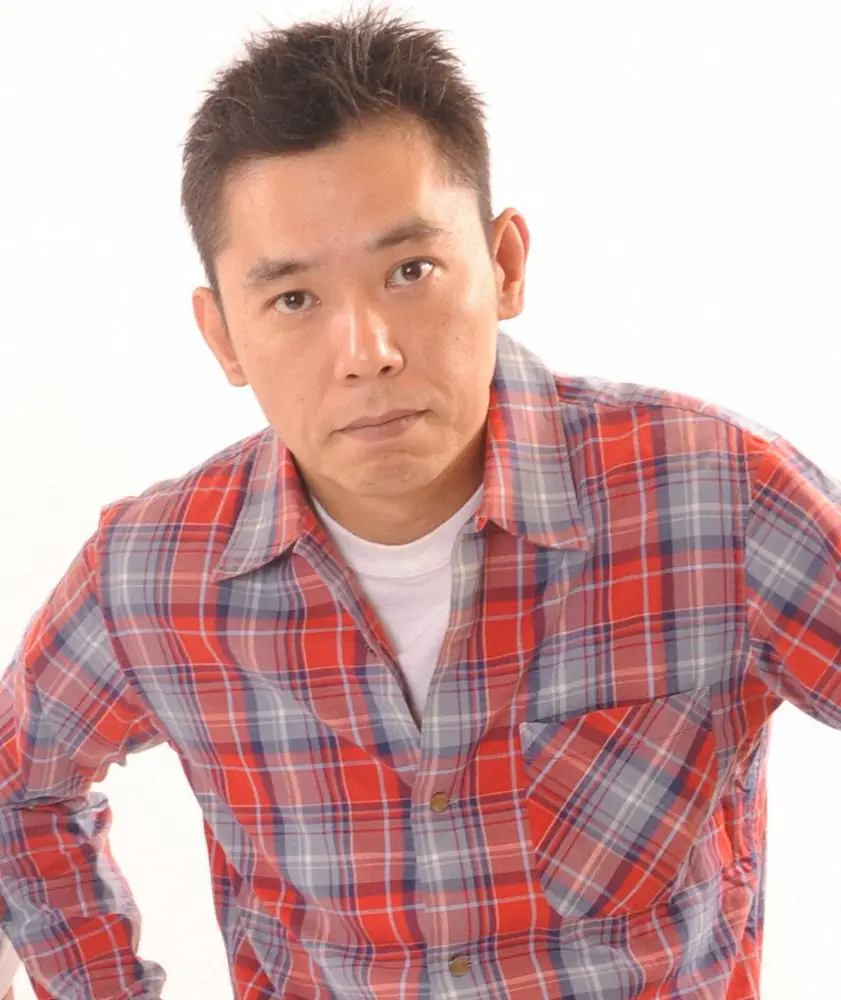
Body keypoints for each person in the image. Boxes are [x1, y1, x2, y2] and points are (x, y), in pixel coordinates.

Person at [1, 5, 839, 998]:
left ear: (504, 265)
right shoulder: (151, 575)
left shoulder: (717, 499)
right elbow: (18, 790)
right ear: (223, 335)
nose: (368, 352)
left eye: (411, 270)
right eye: (294, 298)